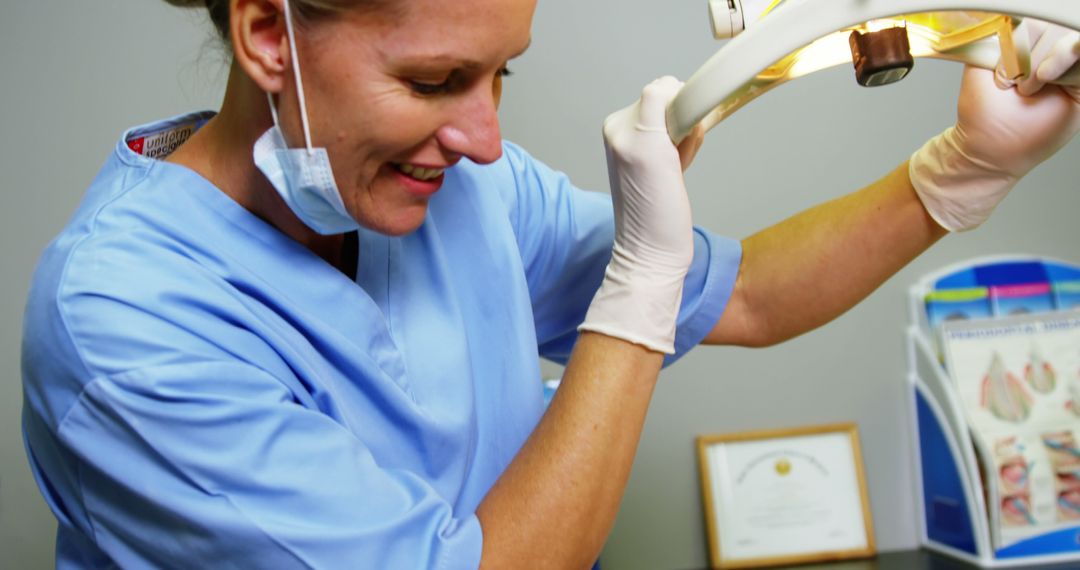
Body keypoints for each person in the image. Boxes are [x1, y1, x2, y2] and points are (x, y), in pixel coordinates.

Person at [20, 0, 1078, 567]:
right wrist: (638, 281)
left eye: (500, 76)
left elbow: (745, 296)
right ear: (267, 36)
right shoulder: (125, 323)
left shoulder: (464, 195)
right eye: (436, 81)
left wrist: (962, 171)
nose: (484, 140)